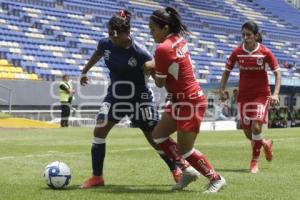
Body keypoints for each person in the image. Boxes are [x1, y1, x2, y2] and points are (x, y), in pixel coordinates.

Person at [79, 9, 183, 189]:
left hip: (139, 97)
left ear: (127, 33)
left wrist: (171, 94)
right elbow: (98, 53)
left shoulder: (141, 53)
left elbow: (159, 74)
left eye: (115, 36)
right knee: (99, 130)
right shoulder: (106, 43)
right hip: (116, 95)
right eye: (110, 35)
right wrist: (84, 71)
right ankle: (97, 177)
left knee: (153, 137)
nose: (112, 39)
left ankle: (176, 169)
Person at [145, 7, 226, 193]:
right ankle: (188, 171)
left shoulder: (163, 48)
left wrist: (150, 68)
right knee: (158, 136)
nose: (151, 33)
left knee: (185, 149)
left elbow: (159, 83)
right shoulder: (177, 40)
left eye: (153, 29)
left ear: (165, 28)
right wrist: (156, 65)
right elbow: (172, 65)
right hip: (178, 99)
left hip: (190, 102)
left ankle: (216, 178)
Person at [219, 20, 281, 173]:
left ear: (256, 35)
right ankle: (265, 143)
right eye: (243, 35)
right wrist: (222, 90)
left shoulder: (265, 52)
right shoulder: (237, 52)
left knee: (257, 126)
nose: (246, 38)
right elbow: (226, 71)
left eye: (248, 35)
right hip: (244, 95)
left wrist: (276, 94)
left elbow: (277, 73)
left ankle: (254, 162)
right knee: (248, 132)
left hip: (261, 94)